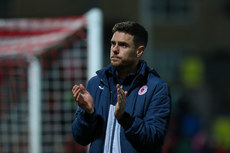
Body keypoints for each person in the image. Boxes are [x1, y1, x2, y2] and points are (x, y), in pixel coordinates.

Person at [72, 21, 171, 153]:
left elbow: (154, 138)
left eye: (123, 45)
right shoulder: (96, 84)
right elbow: (80, 138)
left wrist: (124, 118)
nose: (115, 49)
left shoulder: (156, 88)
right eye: (113, 43)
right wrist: (88, 114)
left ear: (139, 51)